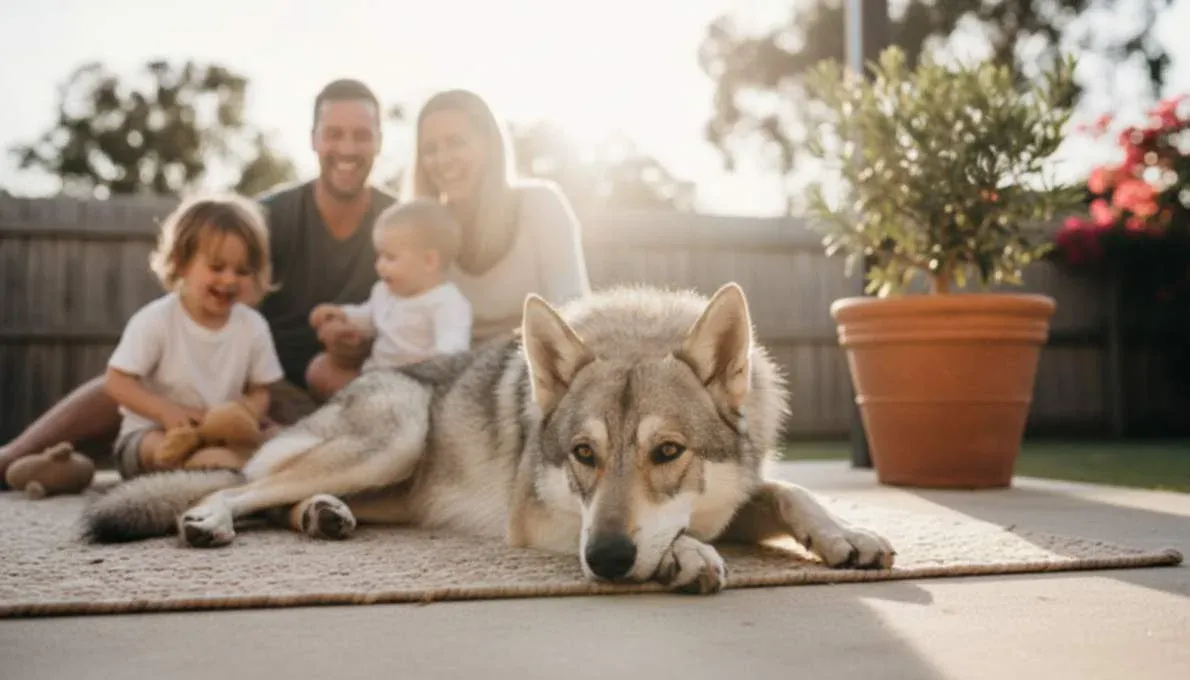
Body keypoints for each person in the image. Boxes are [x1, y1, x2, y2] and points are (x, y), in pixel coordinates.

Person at [0, 77, 395, 484]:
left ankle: (209, 466)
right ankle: (13, 457)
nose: (347, 148)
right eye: (334, 134)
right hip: (244, 386)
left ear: (379, 141)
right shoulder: (267, 217)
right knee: (129, 383)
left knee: (301, 428)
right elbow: (205, 297)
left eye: (361, 135)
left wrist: (359, 344)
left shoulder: (399, 226)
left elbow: (417, 320)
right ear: (314, 139)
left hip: (330, 391)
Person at [104, 193, 284, 478]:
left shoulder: (253, 326)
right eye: (216, 267)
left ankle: (216, 465)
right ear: (182, 262)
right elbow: (117, 382)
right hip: (154, 433)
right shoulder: (157, 319)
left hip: (219, 435)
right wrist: (166, 411)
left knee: (279, 438)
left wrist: (245, 415)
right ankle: (204, 467)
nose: (229, 280)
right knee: (157, 445)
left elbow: (261, 389)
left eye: (241, 271)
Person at [403, 88, 590, 343]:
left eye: (456, 142)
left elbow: (573, 314)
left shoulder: (542, 205)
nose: (442, 159)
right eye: (430, 149)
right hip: (450, 373)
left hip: (530, 373)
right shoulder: (420, 228)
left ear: (489, 146)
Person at [304, 198, 473, 401]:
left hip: (413, 391)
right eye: (379, 256)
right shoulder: (385, 291)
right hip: (375, 377)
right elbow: (369, 317)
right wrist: (341, 315)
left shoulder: (447, 303)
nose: (380, 266)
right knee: (319, 370)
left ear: (429, 261)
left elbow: (451, 353)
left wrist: (428, 384)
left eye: (390, 257)